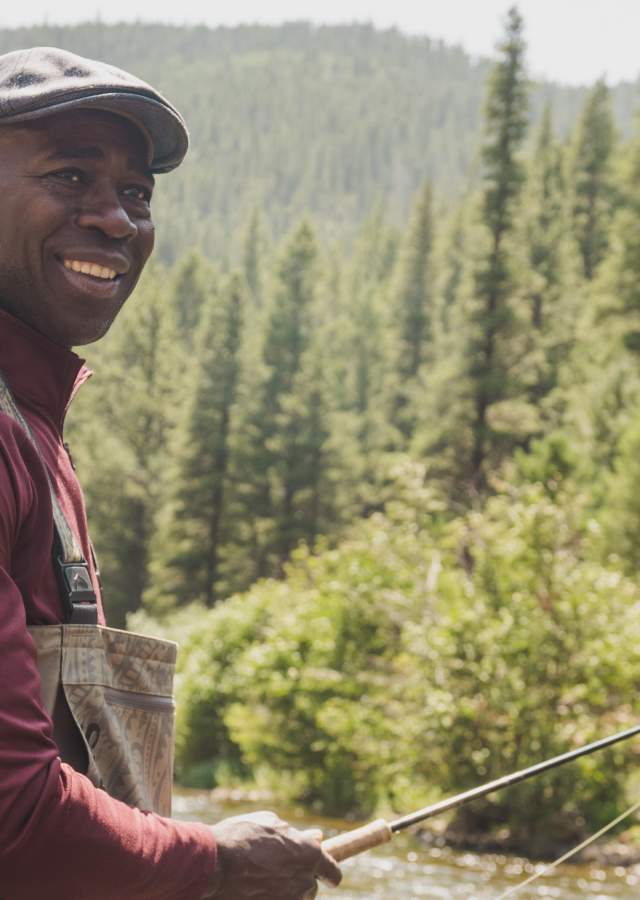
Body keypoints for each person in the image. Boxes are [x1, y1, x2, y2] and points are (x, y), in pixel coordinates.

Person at [0, 46, 342, 900]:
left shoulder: (33, 429)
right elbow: (10, 817)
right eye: (72, 176)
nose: (118, 219)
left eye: (138, 193)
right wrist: (214, 861)